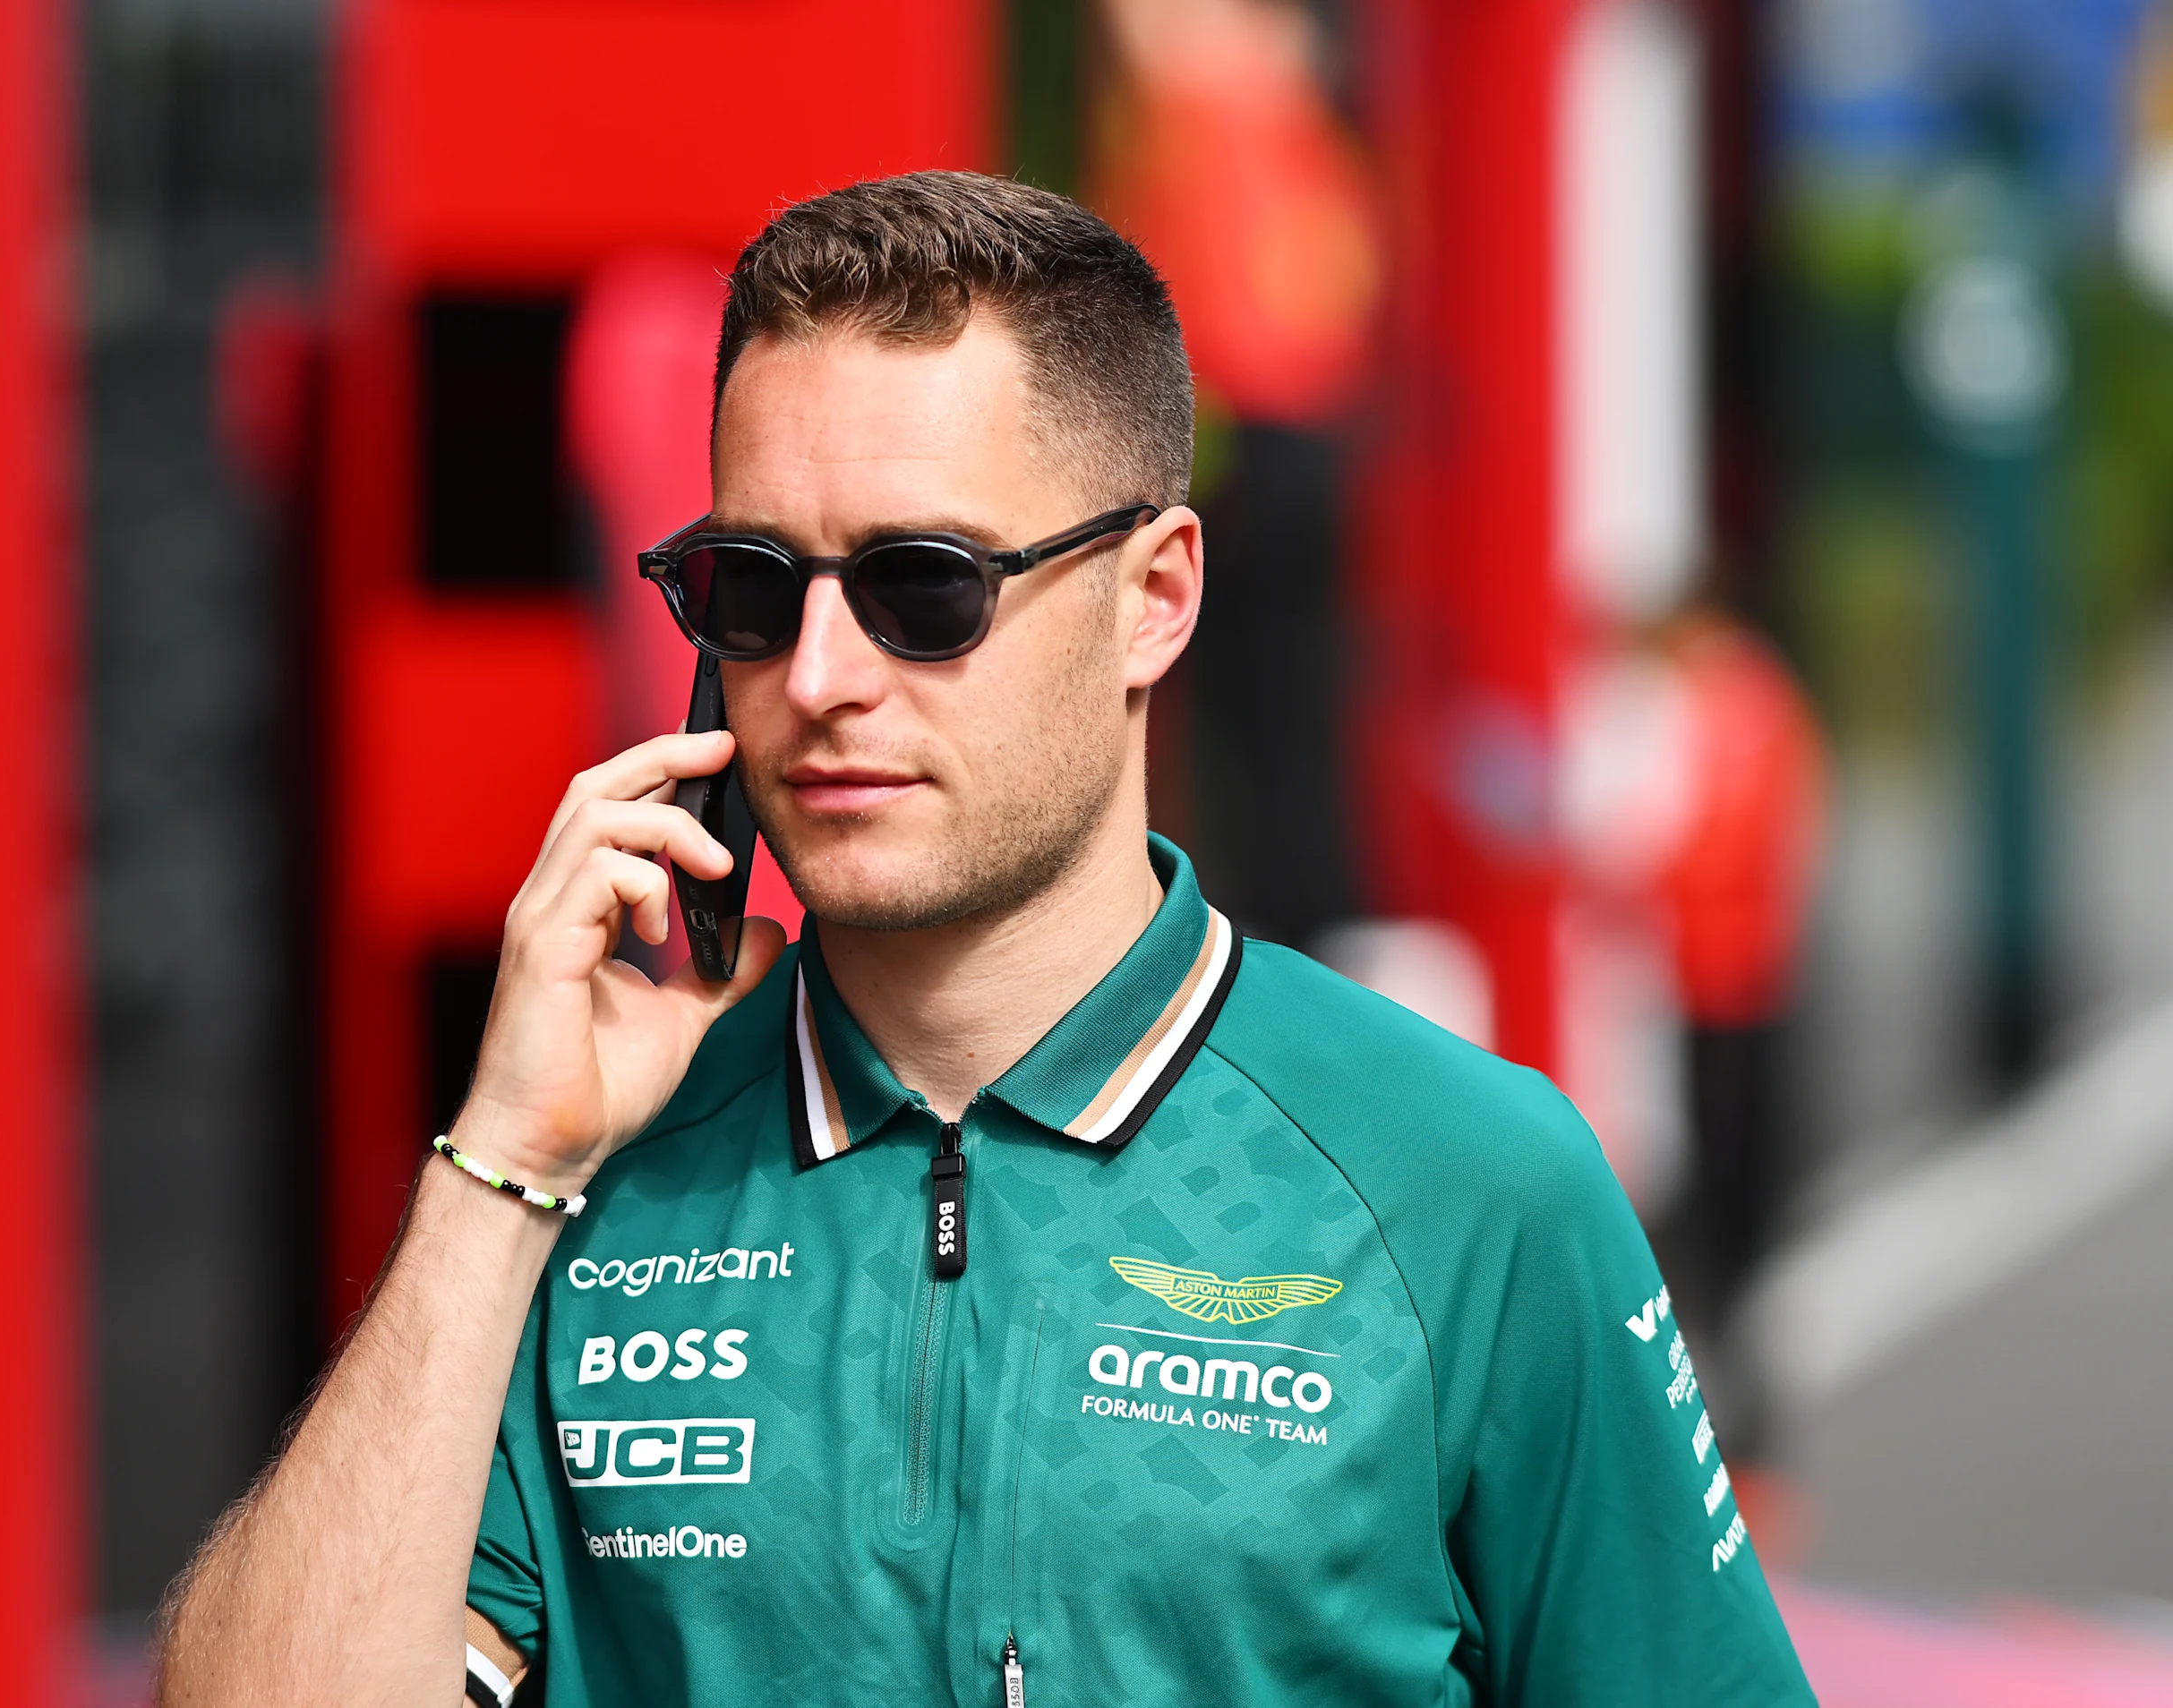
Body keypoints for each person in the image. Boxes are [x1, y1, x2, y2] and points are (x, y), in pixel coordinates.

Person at [157, 171, 1817, 1707]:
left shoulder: (1468, 1184)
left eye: (921, 586)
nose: (818, 679)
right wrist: (496, 1162)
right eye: (751, 588)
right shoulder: (581, 1196)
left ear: (1153, 598)